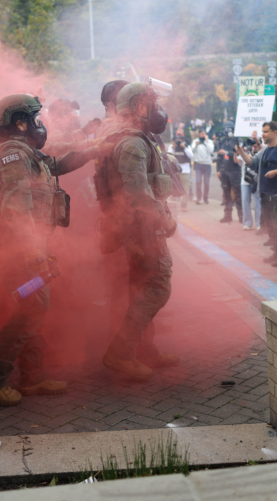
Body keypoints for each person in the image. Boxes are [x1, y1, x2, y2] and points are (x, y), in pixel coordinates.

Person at [0, 94, 102, 405]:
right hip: (19, 251)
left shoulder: (27, 153)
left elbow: (57, 166)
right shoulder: (13, 155)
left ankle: (33, 376)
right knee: (32, 309)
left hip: (30, 247)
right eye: (35, 119)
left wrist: (94, 150)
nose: (40, 125)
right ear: (20, 123)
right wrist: (32, 251)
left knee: (33, 309)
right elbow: (16, 207)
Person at [100, 83, 181, 379]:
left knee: (141, 288)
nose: (157, 110)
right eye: (151, 104)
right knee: (157, 287)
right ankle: (121, 353)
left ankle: (145, 350)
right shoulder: (133, 143)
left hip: (137, 227)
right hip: (143, 229)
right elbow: (137, 193)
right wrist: (164, 219)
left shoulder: (135, 138)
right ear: (137, 107)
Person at [238, 121, 277, 267]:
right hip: (265, 195)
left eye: (266, 132)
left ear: (275, 132)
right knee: (271, 228)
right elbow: (252, 162)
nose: (263, 134)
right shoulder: (265, 150)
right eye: (263, 131)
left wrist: (275, 172)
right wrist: (241, 152)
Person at [216, 137, 242, 223]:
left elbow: (239, 153)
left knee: (237, 194)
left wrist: (227, 152)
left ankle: (241, 216)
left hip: (235, 171)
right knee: (226, 194)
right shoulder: (223, 140)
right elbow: (219, 157)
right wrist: (218, 170)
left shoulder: (237, 140)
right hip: (224, 171)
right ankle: (227, 215)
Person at [171, 132, 193, 212]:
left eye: (180, 139)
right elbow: (168, 156)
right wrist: (173, 148)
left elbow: (191, 156)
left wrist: (184, 148)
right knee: (173, 188)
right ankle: (172, 205)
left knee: (186, 189)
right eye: (177, 139)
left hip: (185, 171)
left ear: (183, 140)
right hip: (175, 171)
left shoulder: (187, 146)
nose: (178, 140)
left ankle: (184, 205)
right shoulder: (172, 146)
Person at [191, 129, 214, 204]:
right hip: (198, 164)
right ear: (199, 134)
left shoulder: (209, 141)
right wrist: (196, 145)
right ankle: (199, 198)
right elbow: (192, 150)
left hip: (207, 164)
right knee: (198, 181)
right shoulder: (195, 141)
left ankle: (205, 198)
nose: (203, 135)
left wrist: (206, 141)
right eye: (202, 133)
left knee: (206, 183)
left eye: (204, 133)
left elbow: (211, 150)